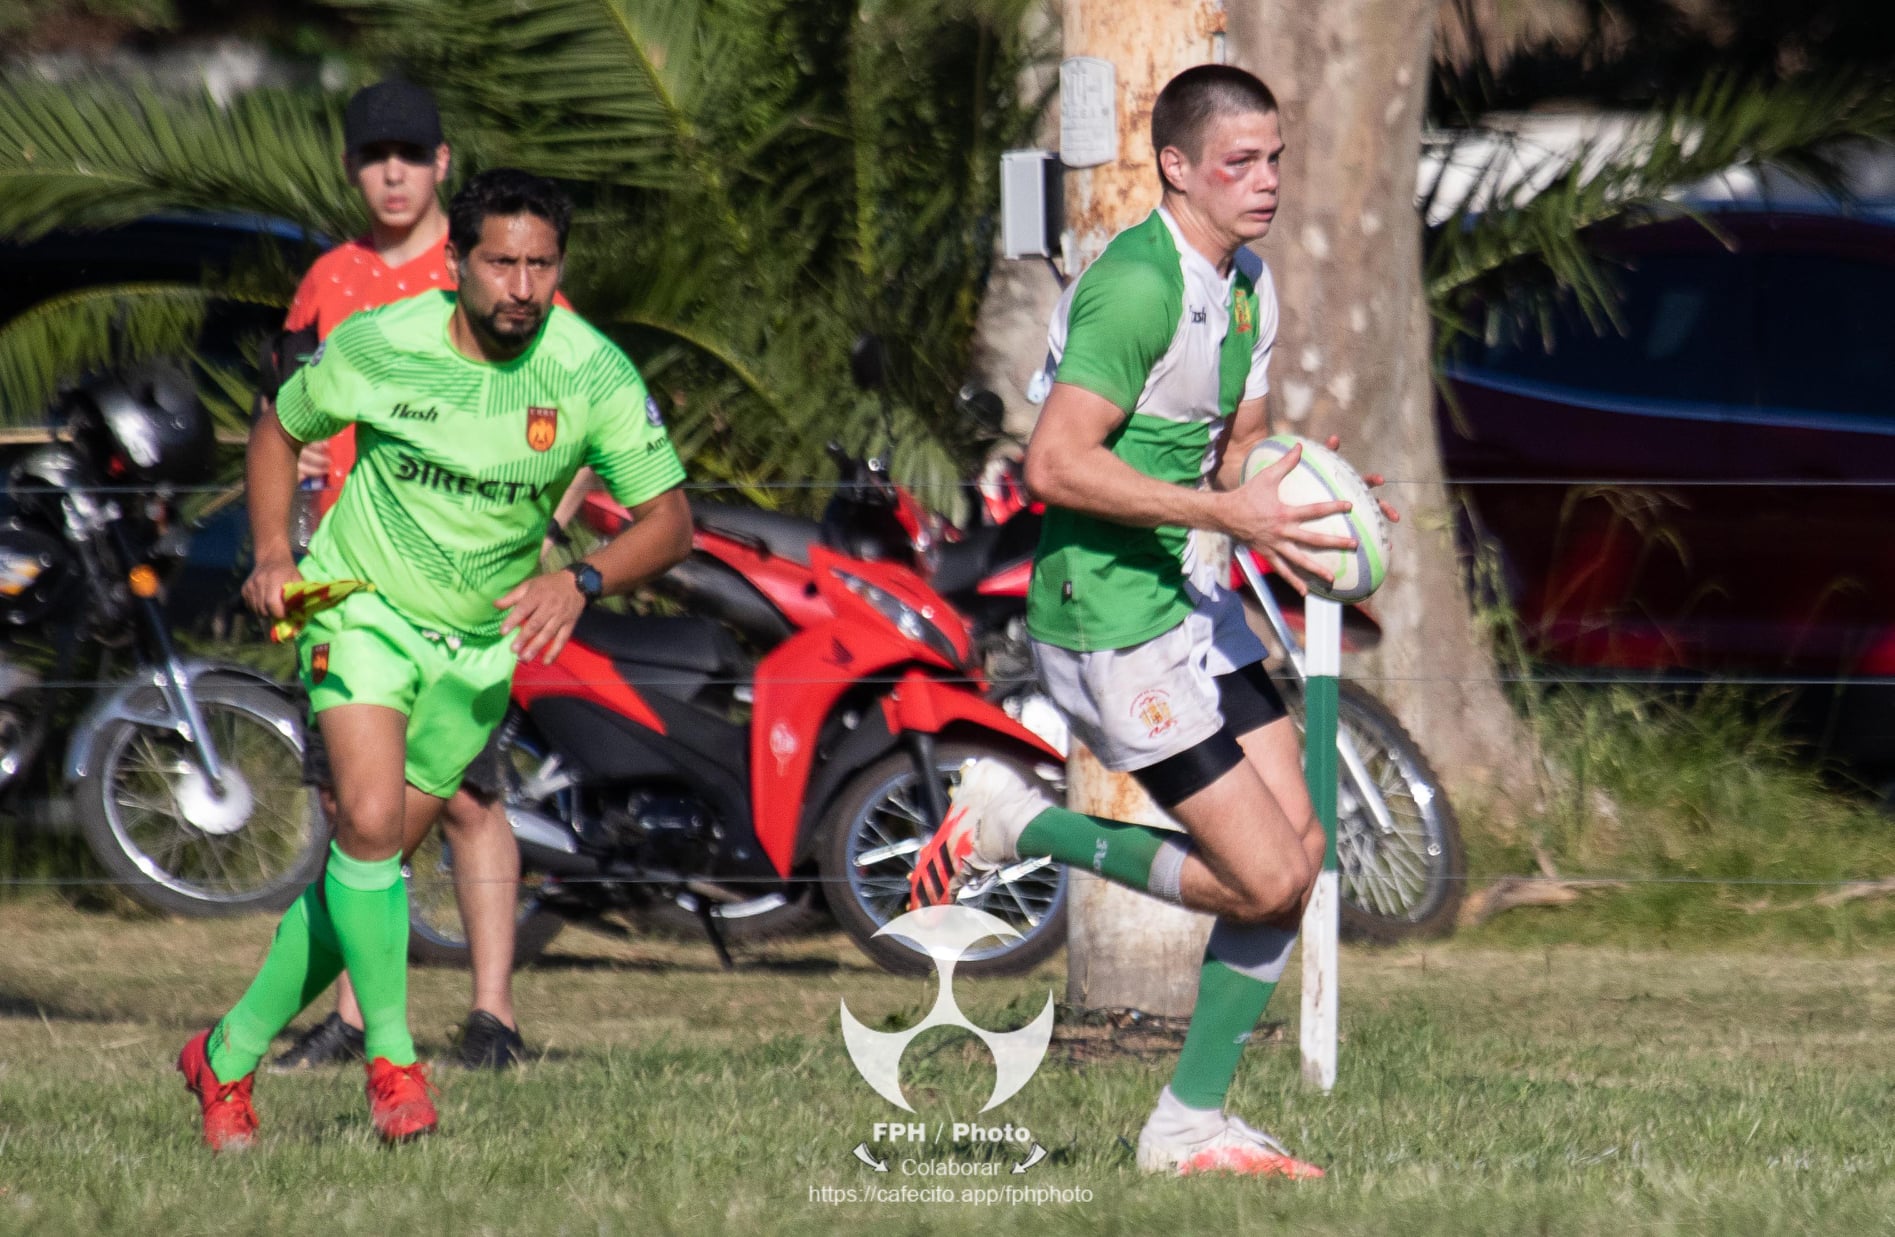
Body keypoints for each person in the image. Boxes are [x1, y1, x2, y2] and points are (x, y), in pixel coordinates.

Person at [910, 65, 1395, 1179]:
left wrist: (1322, 499)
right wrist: (1223, 509)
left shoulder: (1246, 285)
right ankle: (1018, 826)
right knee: (1267, 877)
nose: (1265, 181)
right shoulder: (1135, 287)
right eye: (1239, 162)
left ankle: (1189, 1125)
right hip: (1106, 618)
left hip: (1190, 598)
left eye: (1274, 158)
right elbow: (1052, 462)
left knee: (1298, 858)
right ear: (1175, 167)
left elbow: (1239, 449)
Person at [178, 168, 692, 1150]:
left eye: (541, 264)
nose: (521, 285)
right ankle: (395, 1064)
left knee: (363, 870)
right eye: (500, 261)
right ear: (456, 262)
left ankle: (225, 1054)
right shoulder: (382, 343)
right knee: (369, 822)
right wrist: (279, 552)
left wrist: (578, 581)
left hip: (478, 650)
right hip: (358, 605)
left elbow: (671, 524)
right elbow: (279, 427)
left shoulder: (589, 372)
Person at [264, 80, 575, 1073]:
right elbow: (282, 417)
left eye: (409, 154)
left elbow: (576, 432)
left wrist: (541, 543)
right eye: (371, 156)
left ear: (443, 163)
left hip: (463, 579)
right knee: (350, 803)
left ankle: (493, 1016)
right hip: (345, 577)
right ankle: (355, 1017)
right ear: (352, 169)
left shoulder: (502, 271)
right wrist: (292, 494)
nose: (390, 173)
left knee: (466, 796)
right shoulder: (327, 281)